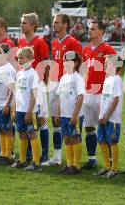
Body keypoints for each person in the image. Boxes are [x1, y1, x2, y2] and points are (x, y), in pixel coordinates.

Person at [45, 14, 82, 166]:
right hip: (55, 82)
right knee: (55, 120)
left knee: (70, 122)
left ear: (66, 24)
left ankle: (74, 162)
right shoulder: (54, 42)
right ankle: (57, 156)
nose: (54, 25)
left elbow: (80, 62)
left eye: (58, 23)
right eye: (53, 22)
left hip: (68, 84)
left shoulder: (72, 41)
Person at [81, 20, 116, 170]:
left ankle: (109, 162)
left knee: (104, 126)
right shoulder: (87, 49)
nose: (90, 31)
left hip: (102, 93)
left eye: (93, 29)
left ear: (101, 31)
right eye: (89, 29)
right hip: (88, 93)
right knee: (88, 127)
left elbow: (115, 70)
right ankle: (92, 159)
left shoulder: (108, 48)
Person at [18, 13, 50, 163]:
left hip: (38, 85)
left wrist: (44, 82)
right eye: (21, 23)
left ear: (33, 25)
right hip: (25, 86)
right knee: (27, 119)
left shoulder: (40, 42)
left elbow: (45, 64)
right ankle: (29, 154)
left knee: (40, 119)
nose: (22, 25)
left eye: (24, 23)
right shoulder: (21, 42)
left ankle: (44, 154)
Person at [11, 47, 42, 171]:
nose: (19, 60)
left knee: (32, 134)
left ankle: (36, 162)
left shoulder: (33, 74)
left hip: (30, 111)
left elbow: (34, 95)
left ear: (30, 59)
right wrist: (14, 110)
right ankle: (22, 160)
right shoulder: (19, 74)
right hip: (19, 110)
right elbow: (16, 93)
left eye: (22, 57)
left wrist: (29, 112)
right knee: (22, 135)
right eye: (18, 57)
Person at [56, 51, 84, 175]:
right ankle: (69, 164)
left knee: (75, 138)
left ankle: (76, 166)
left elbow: (80, 97)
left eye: (68, 60)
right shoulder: (63, 78)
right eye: (64, 60)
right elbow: (59, 97)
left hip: (74, 116)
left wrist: (75, 115)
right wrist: (58, 113)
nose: (65, 62)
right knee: (66, 138)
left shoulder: (77, 78)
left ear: (76, 63)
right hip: (63, 115)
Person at [96, 55, 123, 178]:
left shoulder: (117, 79)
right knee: (101, 140)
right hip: (103, 117)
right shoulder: (107, 79)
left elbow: (115, 99)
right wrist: (101, 114)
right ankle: (107, 166)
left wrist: (107, 116)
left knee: (112, 142)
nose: (105, 65)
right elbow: (104, 99)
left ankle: (114, 168)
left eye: (108, 63)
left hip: (112, 119)